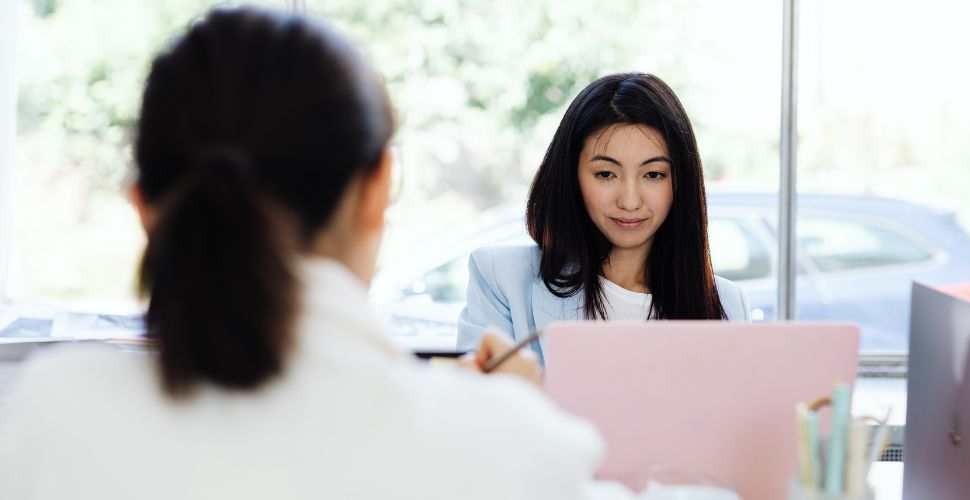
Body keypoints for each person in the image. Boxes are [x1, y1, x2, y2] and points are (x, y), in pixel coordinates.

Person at [0, 8, 634, 500]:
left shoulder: (45, 418)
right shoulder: (510, 446)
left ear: (143, 205)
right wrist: (510, 411)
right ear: (378, 188)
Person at [458, 73, 750, 360]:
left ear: (680, 182)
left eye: (653, 174)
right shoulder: (501, 279)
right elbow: (479, 403)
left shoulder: (727, 305)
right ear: (572, 177)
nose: (630, 201)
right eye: (606, 174)